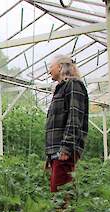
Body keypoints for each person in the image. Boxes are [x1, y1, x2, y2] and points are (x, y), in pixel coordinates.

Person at [45, 54, 89, 193]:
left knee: (61, 195)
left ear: (60, 67)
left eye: (51, 67)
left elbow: (74, 118)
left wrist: (66, 148)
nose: (49, 71)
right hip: (57, 150)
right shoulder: (61, 88)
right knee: (60, 192)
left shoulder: (73, 85)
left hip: (63, 150)